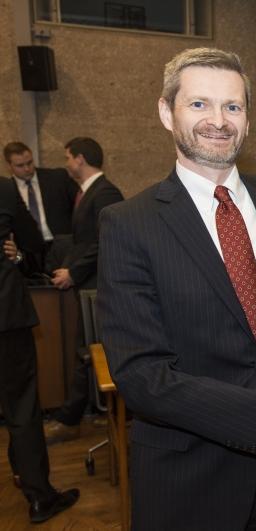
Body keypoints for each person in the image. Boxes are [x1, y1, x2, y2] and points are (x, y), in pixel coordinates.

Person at [96, 47, 256, 530]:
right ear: (166, 112)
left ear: (248, 120)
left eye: (233, 106)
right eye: (199, 105)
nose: (219, 120)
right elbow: (141, 377)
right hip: (190, 481)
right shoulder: (128, 223)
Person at [0, 178, 80, 523]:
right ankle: (38, 495)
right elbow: (33, 240)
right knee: (21, 405)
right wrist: (16, 253)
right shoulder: (3, 188)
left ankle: (22, 473)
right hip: (4, 314)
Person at [44, 137, 124, 444]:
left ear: (80, 159)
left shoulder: (106, 193)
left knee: (89, 352)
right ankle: (72, 416)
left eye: (68, 157)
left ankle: (70, 418)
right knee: (85, 350)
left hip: (98, 287)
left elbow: (106, 241)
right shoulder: (87, 194)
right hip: (87, 286)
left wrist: (74, 271)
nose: (66, 164)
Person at [3, 141, 79, 270]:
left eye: (29, 162)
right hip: (29, 255)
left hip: (62, 247)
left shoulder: (57, 177)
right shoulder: (7, 191)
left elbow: (80, 204)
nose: (27, 168)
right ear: (9, 166)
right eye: (20, 165)